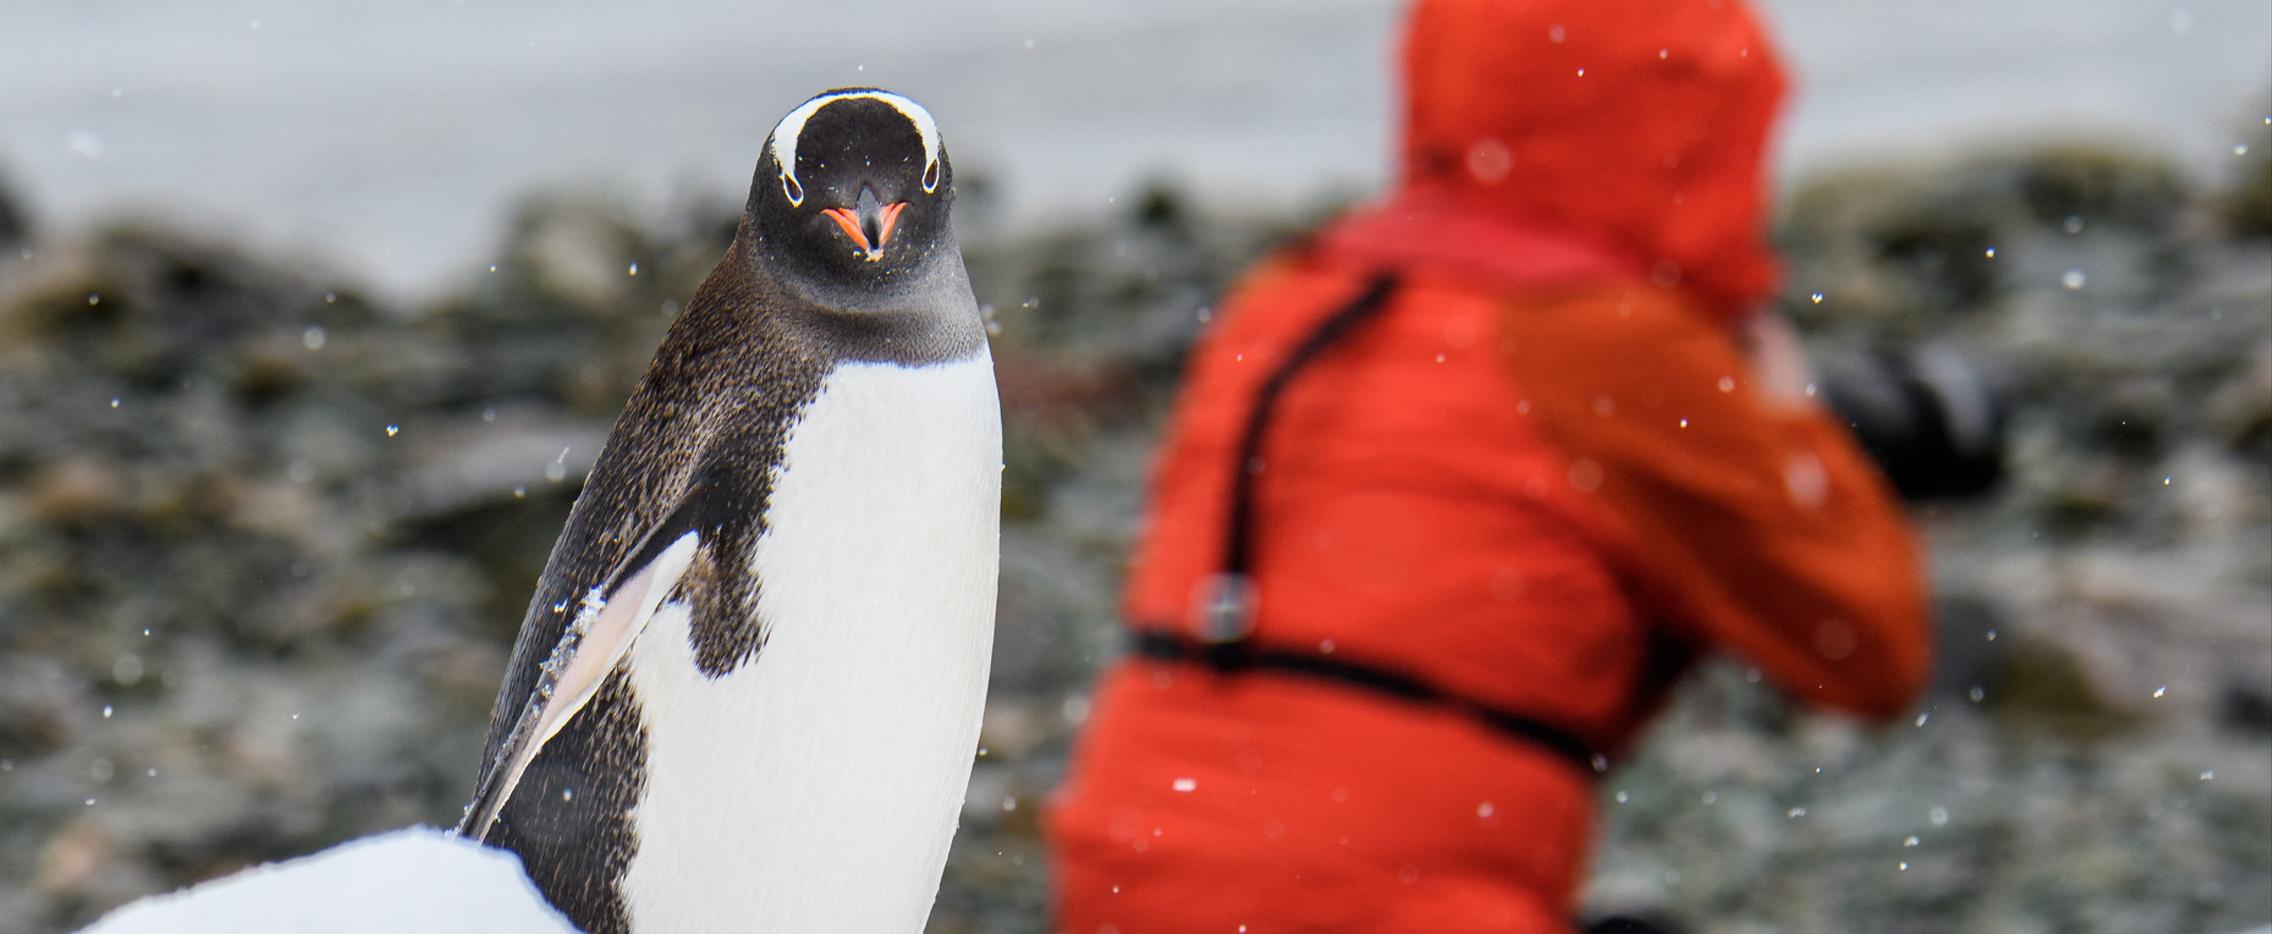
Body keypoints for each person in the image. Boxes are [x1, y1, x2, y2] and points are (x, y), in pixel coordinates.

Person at [1044, 1, 1933, 930]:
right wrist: (1791, 419)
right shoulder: (1606, 341)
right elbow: (1867, 648)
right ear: (1697, 121)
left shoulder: (1284, 300)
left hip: (1123, 880)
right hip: (1386, 906)